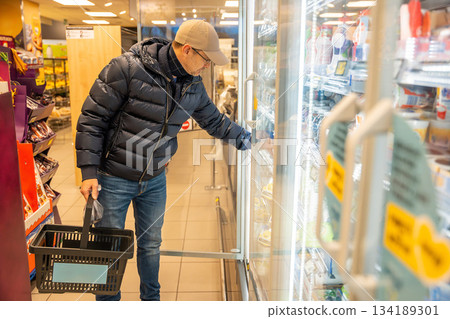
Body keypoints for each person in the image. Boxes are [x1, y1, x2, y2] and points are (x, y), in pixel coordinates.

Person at [75, 19, 251, 301]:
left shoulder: (193, 85)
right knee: (108, 247)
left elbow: (214, 121)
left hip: (154, 179)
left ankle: (151, 301)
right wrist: (88, 172)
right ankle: (108, 304)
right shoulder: (126, 68)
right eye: (206, 60)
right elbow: (92, 119)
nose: (208, 67)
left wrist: (251, 140)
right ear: (188, 50)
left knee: (151, 244)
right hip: (113, 178)